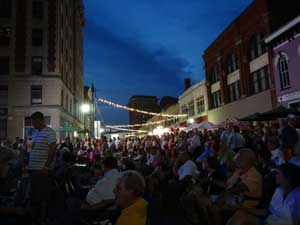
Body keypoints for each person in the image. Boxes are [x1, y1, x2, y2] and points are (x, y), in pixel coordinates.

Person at [227, 163, 300, 225]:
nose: (276, 176)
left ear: (287, 178)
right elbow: (267, 212)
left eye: (278, 173)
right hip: (269, 222)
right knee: (240, 213)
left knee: (242, 218)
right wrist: (242, 208)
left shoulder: (297, 196)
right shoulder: (279, 190)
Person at [27, 112, 57, 223]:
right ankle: (34, 216)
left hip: (42, 169)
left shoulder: (49, 132)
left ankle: (43, 218)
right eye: (32, 122)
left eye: (34, 121)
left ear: (41, 120)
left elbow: (52, 149)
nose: (33, 124)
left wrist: (46, 166)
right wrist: (27, 160)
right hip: (32, 167)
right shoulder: (33, 132)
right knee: (33, 194)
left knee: (43, 195)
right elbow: (29, 148)